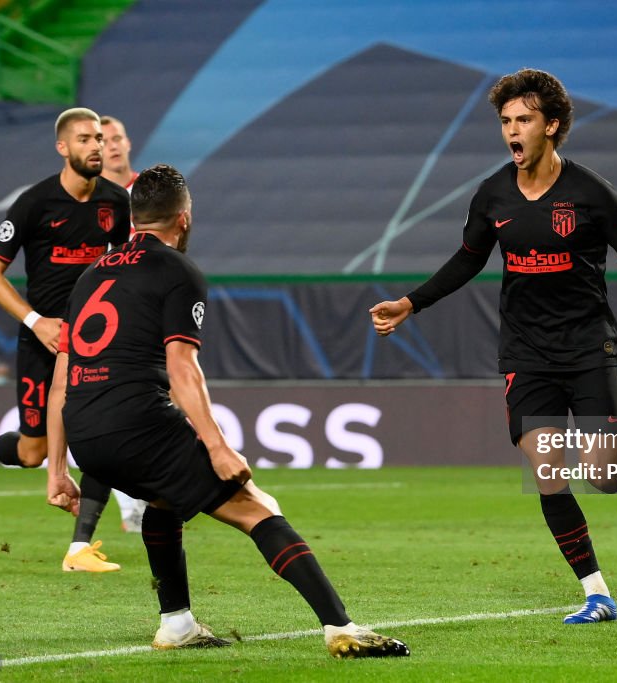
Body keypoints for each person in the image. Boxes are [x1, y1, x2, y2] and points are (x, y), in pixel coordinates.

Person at [44, 164, 409, 657]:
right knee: (256, 506)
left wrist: (57, 468)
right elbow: (182, 367)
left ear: (134, 220)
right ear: (185, 219)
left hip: (86, 435)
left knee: (164, 502)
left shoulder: (90, 275)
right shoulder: (178, 271)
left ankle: (176, 623)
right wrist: (218, 447)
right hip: (137, 421)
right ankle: (341, 628)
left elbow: (61, 380)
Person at [369, 69, 617, 625]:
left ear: (551, 126)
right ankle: (596, 593)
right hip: (525, 352)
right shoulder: (493, 194)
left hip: (587, 347)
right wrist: (411, 303)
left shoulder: (590, 193)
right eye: (506, 121)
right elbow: (467, 259)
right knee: (548, 468)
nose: (513, 130)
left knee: (602, 470)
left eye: (524, 119)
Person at [0, 107, 131, 572]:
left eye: (98, 138)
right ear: (62, 147)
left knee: (98, 429)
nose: (95, 146)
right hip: (43, 338)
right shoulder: (34, 203)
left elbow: (123, 265)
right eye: (84, 139)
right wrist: (37, 320)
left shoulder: (116, 203)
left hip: (94, 340)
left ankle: (80, 547)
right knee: (33, 452)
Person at [98, 114, 146, 532]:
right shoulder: (89, 198)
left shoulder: (148, 191)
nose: (111, 145)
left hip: (146, 304)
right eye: (103, 139)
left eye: (117, 138)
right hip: (104, 312)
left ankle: (138, 498)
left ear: (128, 142)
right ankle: (132, 502)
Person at [99, 115, 139, 191]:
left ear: (128, 143)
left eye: (117, 138)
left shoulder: (153, 190)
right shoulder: (87, 197)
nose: (113, 146)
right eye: (104, 142)